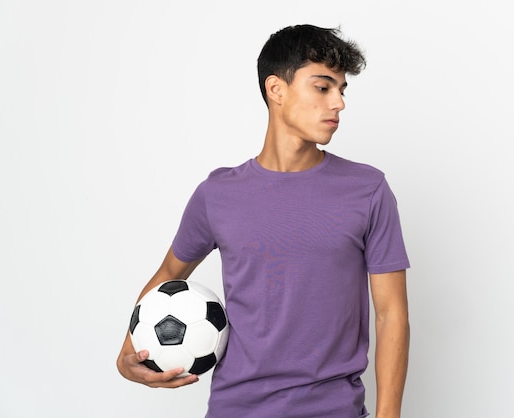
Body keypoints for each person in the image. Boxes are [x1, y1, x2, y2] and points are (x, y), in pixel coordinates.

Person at [117, 24, 410, 418]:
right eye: (323, 87)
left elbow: (391, 314)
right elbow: (170, 272)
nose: (338, 102)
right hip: (235, 408)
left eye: (342, 90)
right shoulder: (217, 194)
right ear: (276, 89)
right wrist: (126, 351)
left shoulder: (368, 189)